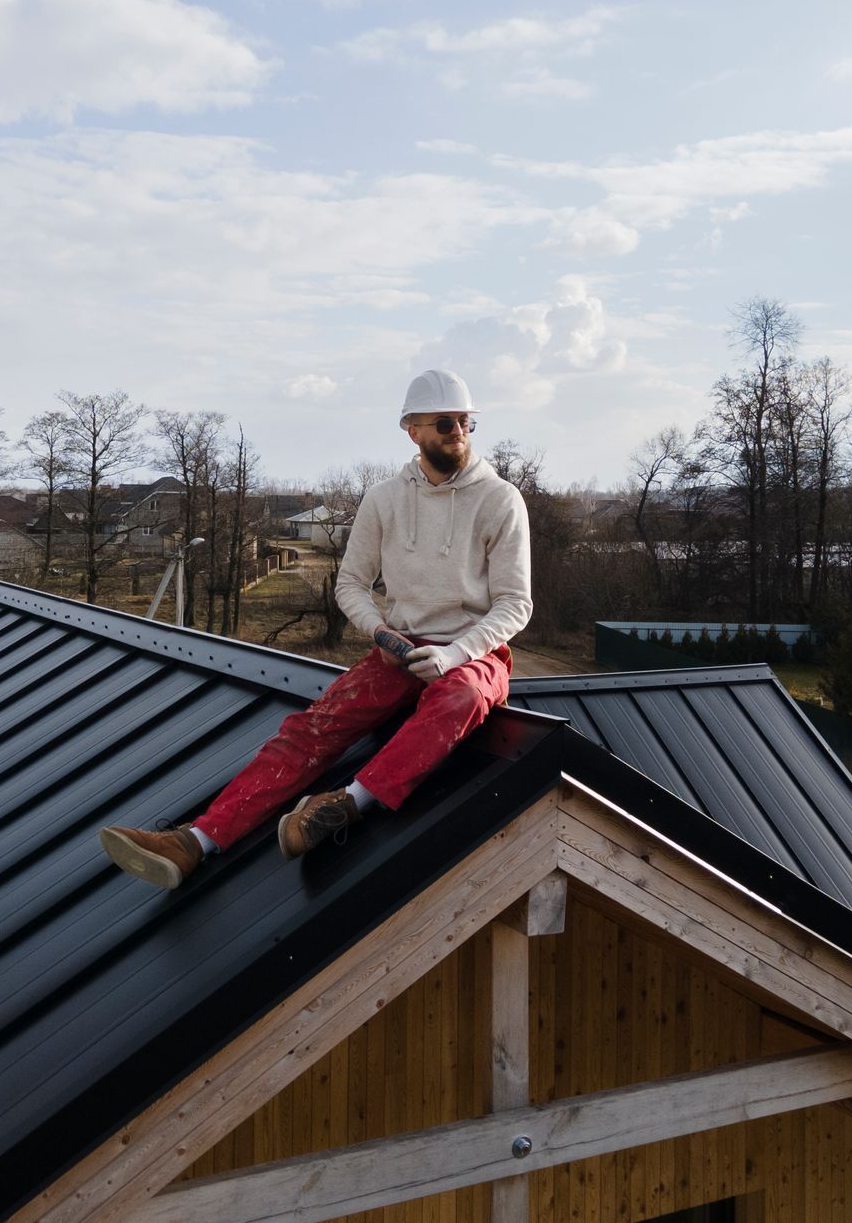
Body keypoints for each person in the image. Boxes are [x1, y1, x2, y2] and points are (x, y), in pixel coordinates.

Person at [99, 369, 532, 888]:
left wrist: (456, 654)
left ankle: (345, 805)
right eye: (445, 421)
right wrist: (380, 634)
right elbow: (350, 583)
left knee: (457, 701)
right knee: (312, 728)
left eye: (465, 421)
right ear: (412, 430)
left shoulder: (501, 500)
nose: (458, 430)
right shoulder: (385, 499)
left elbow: (514, 604)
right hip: (399, 648)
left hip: (473, 658)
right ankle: (196, 841)